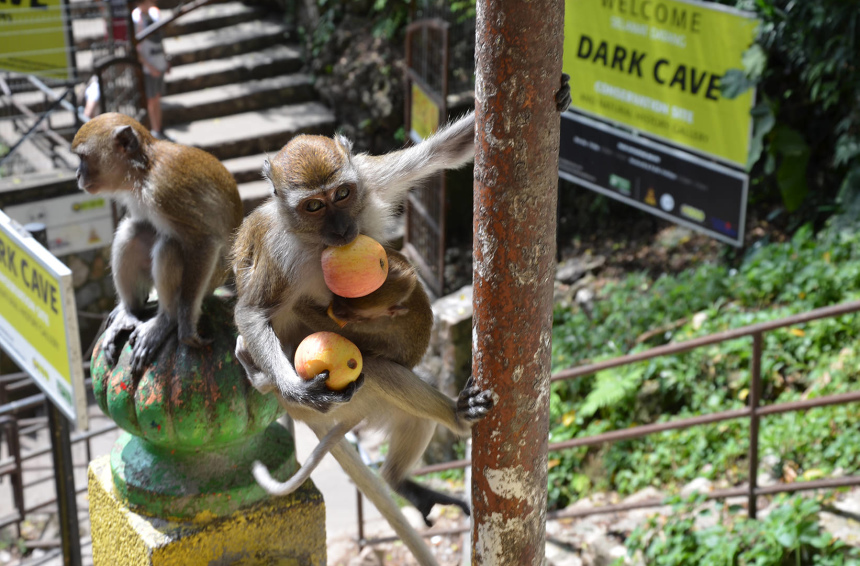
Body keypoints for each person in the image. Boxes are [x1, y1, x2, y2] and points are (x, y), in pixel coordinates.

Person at [132, 0, 171, 140]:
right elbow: (137, 49)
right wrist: (149, 66)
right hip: (149, 66)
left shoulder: (155, 13)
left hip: (159, 61)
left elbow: (159, 39)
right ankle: (155, 130)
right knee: (151, 99)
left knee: (157, 98)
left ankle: (158, 128)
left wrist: (165, 59)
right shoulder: (136, 19)